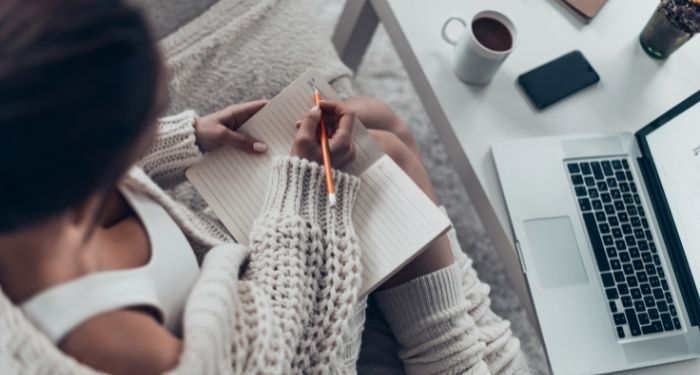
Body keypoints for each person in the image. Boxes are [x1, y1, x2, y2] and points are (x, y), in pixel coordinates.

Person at [0, 0, 527, 374]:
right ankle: (462, 357)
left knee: (378, 121)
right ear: (95, 165)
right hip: (292, 336)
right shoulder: (123, 349)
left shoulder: (25, 178)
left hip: (215, 272)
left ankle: (467, 343)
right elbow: (282, 344)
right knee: (380, 154)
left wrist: (189, 136)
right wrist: (306, 185)